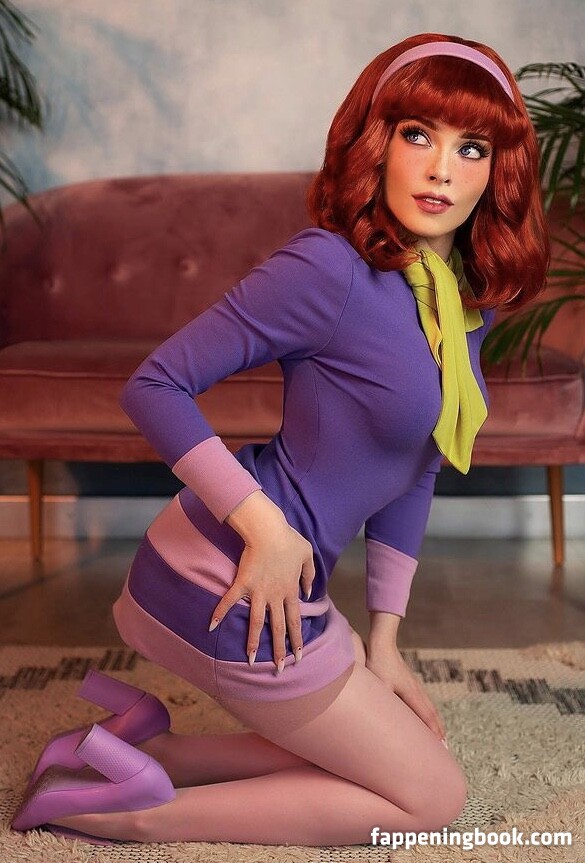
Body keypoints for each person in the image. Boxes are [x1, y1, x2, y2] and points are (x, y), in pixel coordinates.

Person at [12, 32, 549, 847]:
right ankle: (126, 812)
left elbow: (414, 467)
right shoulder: (328, 269)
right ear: (376, 143)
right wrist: (261, 526)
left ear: (496, 171)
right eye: (417, 135)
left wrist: (385, 641)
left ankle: (142, 748)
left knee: (399, 747)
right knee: (430, 797)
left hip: (294, 582)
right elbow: (153, 385)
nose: (442, 169)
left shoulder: (465, 305)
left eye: (470, 147)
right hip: (227, 575)